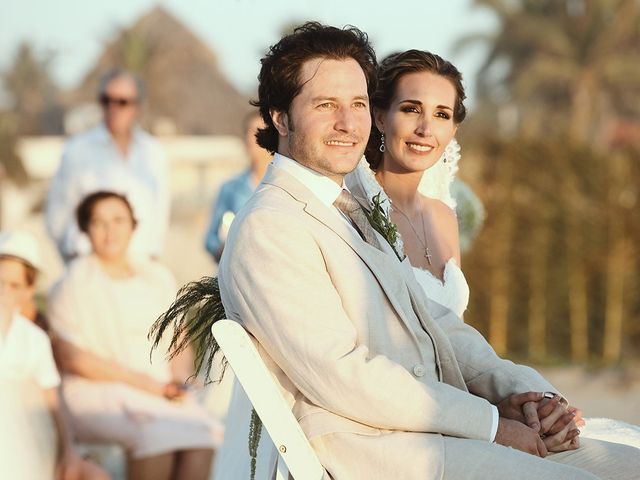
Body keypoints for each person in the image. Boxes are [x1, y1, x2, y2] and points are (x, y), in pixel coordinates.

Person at [216, 22, 639, 479]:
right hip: (376, 451)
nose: (348, 122)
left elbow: (435, 320)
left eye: (357, 103)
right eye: (326, 105)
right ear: (280, 117)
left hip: (436, 432)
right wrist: (492, 424)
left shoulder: (353, 203)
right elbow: (343, 374)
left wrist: (525, 395)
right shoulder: (272, 225)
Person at [348, 49, 640, 449]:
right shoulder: (356, 215)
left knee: (618, 442)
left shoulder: (444, 217)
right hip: (411, 419)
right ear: (380, 117)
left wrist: (531, 402)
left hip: (471, 402)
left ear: (453, 128)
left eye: (441, 114)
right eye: (411, 109)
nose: (424, 128)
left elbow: (460, 342)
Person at [48, 191, 221, 480]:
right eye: (98, 222)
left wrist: (179, 380)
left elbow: (179, 336)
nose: (109, 230)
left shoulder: (157, 276)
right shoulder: (72, 283)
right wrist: (147, 385)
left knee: (204, 434)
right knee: (155, 435)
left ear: (133, 225)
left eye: (118, 220)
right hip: (100, 389)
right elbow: (72, 358)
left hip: (159, 389)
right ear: (85, 228)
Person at [0, 230, 110, 480]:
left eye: (14, 285)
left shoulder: (34, 339)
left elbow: (52, 401)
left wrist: (69, 451)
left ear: (29, 291)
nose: (4, 292)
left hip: (29, 438)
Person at [46, 68, 169, 263]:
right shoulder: (77, 150)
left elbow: (160, 213)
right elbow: (57, 218)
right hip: (90, 266)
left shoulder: (153, 152)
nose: (113, 107)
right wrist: (75, 264)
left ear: (137, 106)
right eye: (106, 100)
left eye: (122, 102)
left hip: (139, 268)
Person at [204, 111, 272, 262]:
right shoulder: (230, 188)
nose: (251, 138)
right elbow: (210, 239)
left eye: (258, 131)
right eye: (247, 132)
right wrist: (222, 249)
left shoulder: (282, 187)